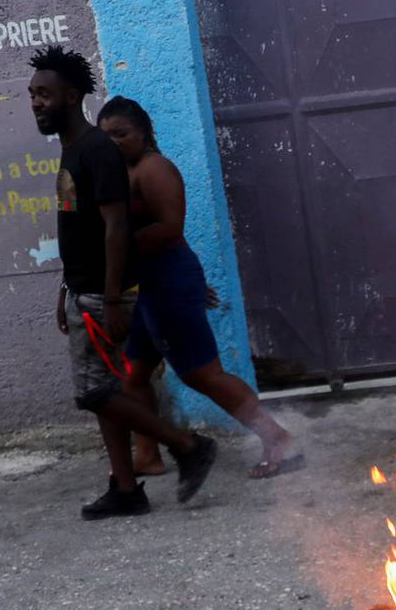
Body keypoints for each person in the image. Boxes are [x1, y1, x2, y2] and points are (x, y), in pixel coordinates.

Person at [27, 46, 217, 517]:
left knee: (94, 393)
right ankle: (127, 488)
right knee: (105, 397)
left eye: (44, 95)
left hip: (104, 295)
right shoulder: (73, 151)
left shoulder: (96, 151)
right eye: (32, 95)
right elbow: (82, 231)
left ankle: (188, 446)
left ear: (72, 97)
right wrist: (64, 290)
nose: (36, 103)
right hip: (84, 289)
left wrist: (112, 298)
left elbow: (116, 229)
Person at [94, 96, 302, 479]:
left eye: (121, 134)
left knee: (202, 374)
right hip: (148, 287)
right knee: (134, 375)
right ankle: (148, 456)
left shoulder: (154, 169)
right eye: (106, 136)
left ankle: (278, 438)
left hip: (167, 282)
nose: (114, 142)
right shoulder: (122, 171)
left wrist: (111, 244)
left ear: (144, 133)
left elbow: (170, 230)